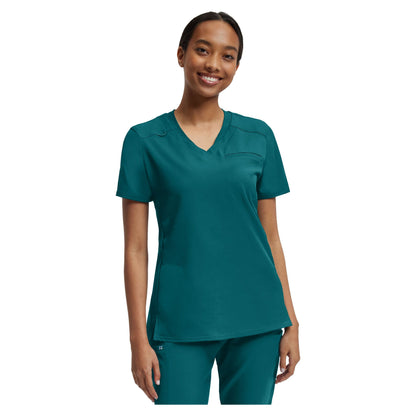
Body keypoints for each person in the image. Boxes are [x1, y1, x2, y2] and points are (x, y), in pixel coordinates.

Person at [115, 11, 300, 405]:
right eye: (203, 50)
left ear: (236, 66)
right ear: (181, 54)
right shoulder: (144, 141)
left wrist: (291, 322)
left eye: (227, 56)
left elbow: (271, 238)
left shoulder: (259, 136)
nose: (214, 64)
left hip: (258, 320)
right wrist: (137, 340)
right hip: (178, 322)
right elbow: (135, 249)